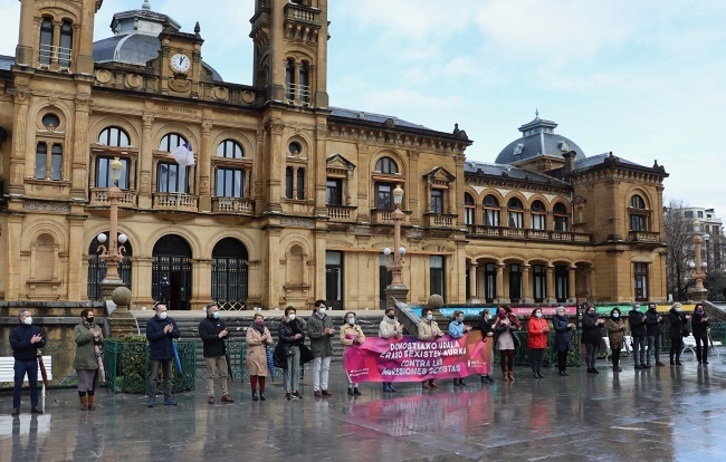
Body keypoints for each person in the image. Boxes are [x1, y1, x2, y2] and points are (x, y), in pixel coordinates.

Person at [9, 310, 46, 416]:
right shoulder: (15, 331)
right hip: (20, 361)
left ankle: (34, 406)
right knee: (18, 385)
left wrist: (39, 341)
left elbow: (43, 342)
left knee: (34, 385)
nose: (30, 317)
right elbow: (15, 346)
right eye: (27, 316)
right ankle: (16, 407)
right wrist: (30, 342)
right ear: (21, 318)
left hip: (32, 361)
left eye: (30, 315)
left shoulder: (36, 329)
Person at [146, 304, 181, 407]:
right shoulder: (151, 322)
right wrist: (163, 332)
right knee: (153, 377)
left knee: (169, 377)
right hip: (156, 353)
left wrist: (171, 332)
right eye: (162, 311)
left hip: (168, 353)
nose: (164, 312)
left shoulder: (170, 320)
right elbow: (150, 336)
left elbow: (177, 334)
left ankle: (168, 397)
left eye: (165, 310)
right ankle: (151, 398)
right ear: (157, 312)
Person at [198, 303, 233, 404]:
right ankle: (211, 395)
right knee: (211, 375)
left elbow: (224, 335)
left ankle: (225, 394)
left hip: (221, 351)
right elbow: (205, 337)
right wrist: (218, 336)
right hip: (210, 353)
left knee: (224, 374)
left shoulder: (221, 322)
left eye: (217, 310)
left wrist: (226, 333)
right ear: (209, 312)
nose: (217, 312)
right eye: (215, 310)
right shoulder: (203, 323)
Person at [73, 308, 104, 411]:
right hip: (82, 360)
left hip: (93, 359)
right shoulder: (78, 327)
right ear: (84, 317)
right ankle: (83, 404)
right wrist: (90, 334)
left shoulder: (96, 327)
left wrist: (97, 338)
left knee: (91, 384)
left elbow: (102, 341)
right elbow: (78, 340)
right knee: (83, 383)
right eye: (90, 315)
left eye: (92, 315)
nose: (92, 317)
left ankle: (91, 403)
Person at [307, 300, 335, 398]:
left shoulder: (328, 318)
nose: (323, 309)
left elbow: (332, 330)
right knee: (317, 368)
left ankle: (324, 388)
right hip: (317, 346)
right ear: (316, 308)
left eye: (324, 307)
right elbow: (310, 334)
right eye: (321, 307)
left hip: (327, 346)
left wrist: (331, 332)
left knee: (326, 368)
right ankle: (316, 389)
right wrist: (322, 333)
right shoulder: (311, 319)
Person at [277, 306, 306, 400]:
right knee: (288, 370)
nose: (292, 315)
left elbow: (303, 335)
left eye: (294, 313)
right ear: (286, 314)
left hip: (297, 347)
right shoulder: (283, 324)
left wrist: (299, 336)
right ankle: (288, 390)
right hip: (287, 348)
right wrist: (293, 337)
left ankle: (295, 389)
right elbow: (282, 337)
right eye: (290, 313)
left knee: (296, 370)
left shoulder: (297, 323)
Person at [246, 313, 273, 401]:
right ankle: (254, 392)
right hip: (253, 354)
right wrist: (260, 339)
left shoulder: (265, 329)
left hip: (263, 354)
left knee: (262, 374)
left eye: (261, 318)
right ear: (255, 320)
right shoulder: (251, 329)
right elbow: (249, 341)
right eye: (258, 318)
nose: (260, 320)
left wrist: (267, 340)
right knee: (253, 374)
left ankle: (262, 392)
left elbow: (270, 340)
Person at [418, 307, 444, 389]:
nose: (431, 315)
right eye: (429, 314)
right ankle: (424, 382)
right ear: (424, 315)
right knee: (426, 365)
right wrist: (430, 336)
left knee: (434, 365)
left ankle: (432, 381)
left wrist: (440, 334)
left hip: (434, 347)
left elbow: (440, 332)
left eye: (431, 314)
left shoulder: (434, 323)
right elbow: (421, 336)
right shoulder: (421, 324)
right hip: (426, 347)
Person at [493, 306, 521, 382]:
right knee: (503, 357)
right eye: (500, 310)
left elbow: (516, 327)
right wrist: (505, 327)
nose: (502, 311)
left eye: (503, 310)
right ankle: (504, 373)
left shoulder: (511, 317)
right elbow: (496, 329)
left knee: (510, 357)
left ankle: (510, 373)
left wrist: (510, 327)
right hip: (502, 338)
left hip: (510, 338)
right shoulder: (497, 318)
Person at [341, 311, 366, 395]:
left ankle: (356, 386)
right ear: (346, 319)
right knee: (348, 369)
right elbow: (342, 339)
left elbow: (363, 336)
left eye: (353, 317)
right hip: (348, 350)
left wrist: (360, 340)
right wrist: (352, 341)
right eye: (350, 317)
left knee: (357, 368)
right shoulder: (343, 328)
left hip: (357, 350)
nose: (352, 319)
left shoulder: (357, 327)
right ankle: (349, 386)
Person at [379, 307, 404, 392]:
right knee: (385, 366)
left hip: (394, 347)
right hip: (384, 347)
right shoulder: (383, 323)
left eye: (393, 312)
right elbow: (385, 334)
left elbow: (399, 336)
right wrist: (395, 331)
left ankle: (390, 383)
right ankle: (385, 384)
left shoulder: (396, 322)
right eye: (390, 312)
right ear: (386, 313)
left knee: (392, 366)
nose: (392, 314)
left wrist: (399, 331)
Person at [448, 310, 473, 386]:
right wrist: (462, 330)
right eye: (461, 316)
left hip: (463, 345)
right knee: (456, 362)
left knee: (463, 362)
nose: (462, 317)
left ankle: (462, 379)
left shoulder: (462, 324)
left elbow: (464, 335)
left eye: (463, 316)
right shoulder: (452, 325)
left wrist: (467, 330)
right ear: (456, 316)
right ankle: (456, 379)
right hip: (455, 345)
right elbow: (454, 335)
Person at [581, 305, 605, 374]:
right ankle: (589, 367)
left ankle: (593, 366)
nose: (593, 311)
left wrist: (601, 323)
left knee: (594, 353)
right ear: (588, 311)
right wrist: (596, 323)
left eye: (594, 310)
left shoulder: (596, 316)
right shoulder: (585, 317)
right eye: (591, 310)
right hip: (588, 338)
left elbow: (599, 326)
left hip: (596, 337)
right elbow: (587, 326)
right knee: (589, 353)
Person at [553, 306, 576, 376]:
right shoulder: (555, 319)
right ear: (557, 312)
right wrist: (566, 326)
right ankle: (560, 370)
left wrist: (570, 327)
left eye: (563, 311)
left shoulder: (565, 319)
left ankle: (564, 369)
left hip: (566, 338)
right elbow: (557, 328)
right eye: (560, 311)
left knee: (565, 355)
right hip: (560, 339)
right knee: (561, 355)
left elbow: (567, 329)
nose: (562, 313)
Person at [527, 308, 549, 379]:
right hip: (534, 342)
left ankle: (539, 371)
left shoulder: (544, 320)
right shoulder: (531, 321)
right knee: (535, 358)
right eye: (538, 312)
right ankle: (534, 372)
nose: (539, 313)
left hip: (542, 342)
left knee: (540, 358)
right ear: (534, 313)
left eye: (540, 312)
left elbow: (547, 329)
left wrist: (546, 330)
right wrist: (541, 331)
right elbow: (531, 331)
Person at [477, 310, 495, 383]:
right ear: (485, 314)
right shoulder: (481, 322)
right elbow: (485, 332)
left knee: (490, 358)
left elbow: (491, 333)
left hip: (489, 342)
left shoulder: (488, 322)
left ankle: (488, 375)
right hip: (483, 342)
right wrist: (491, 329)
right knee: (484, 359)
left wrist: (491, 331)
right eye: (489, 313)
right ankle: (483, 376)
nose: (490, 315)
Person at [606, 308, 626, 372]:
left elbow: (624, 327)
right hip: (613, 339)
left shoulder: (620, 320)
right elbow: (610, 329)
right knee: (614, 353)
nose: (616, 314)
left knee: (618, 353)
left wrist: (623, 327)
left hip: (620, 339)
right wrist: (619, 328)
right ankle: (614, 366)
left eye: (617, 312)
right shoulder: (610, 321)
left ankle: (617, 365)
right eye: (614, 312)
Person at [629, 304, 648, 369]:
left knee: (643, 348)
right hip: (636, 333)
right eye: (636, 307)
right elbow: (633, 324)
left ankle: (643, 362)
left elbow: (645, 323)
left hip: (642, 333)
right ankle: (636, 363)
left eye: (639, 307)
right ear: (633, 308)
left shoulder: (641, 313)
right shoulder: (631, 314)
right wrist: (642, 320)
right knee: (636, 349)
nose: (638, 308)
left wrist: (645, 320)